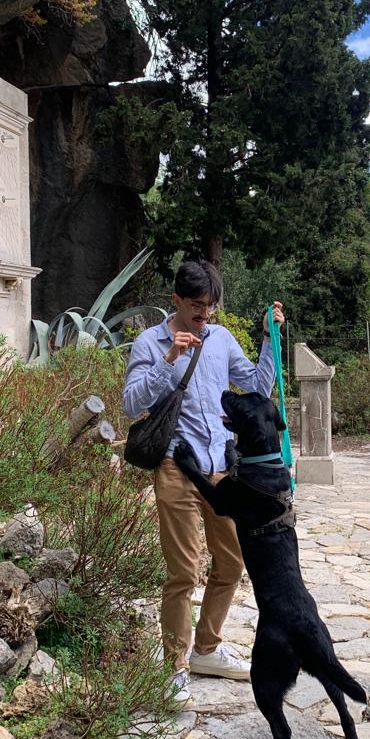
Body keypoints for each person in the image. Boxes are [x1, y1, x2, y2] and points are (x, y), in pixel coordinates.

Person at [123, 259, 285, 704]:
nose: (204, 314)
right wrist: (169, 360)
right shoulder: (150, 342)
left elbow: (257, 387)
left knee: (232, 563)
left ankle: (207, 649)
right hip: (176, 468)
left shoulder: (221, 338)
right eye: (196, 306)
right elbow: (130, 403)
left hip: (221, 470)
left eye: (210, 306)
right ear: (176, 300)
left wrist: (269, 338)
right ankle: (174, 666)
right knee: (183, 572)